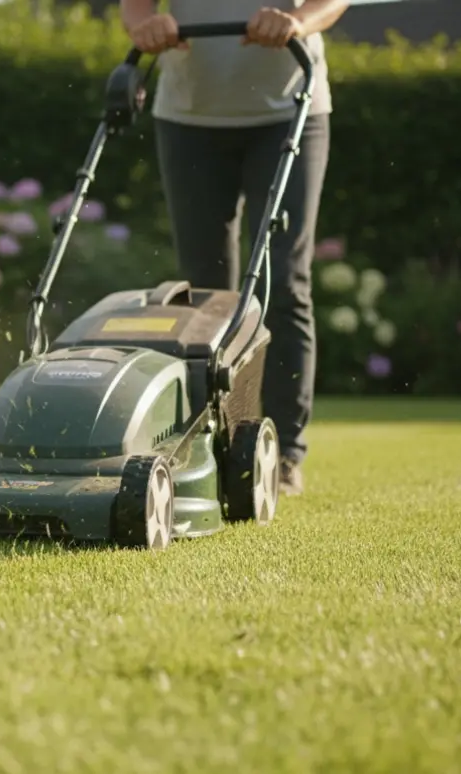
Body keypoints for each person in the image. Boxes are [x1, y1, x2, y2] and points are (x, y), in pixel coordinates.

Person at [120, 0, 350, 496]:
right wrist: (145, 27)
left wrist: (298, 23)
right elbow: (135, 8)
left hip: (290, 107)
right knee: (204, 294)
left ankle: (286, 453)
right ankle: (215, 442)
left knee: (284, 281)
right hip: (189, 115)